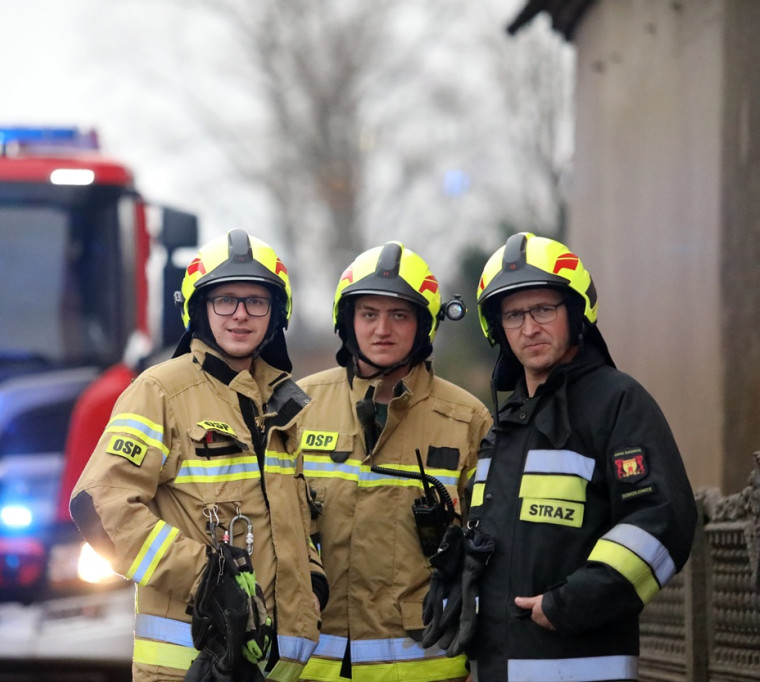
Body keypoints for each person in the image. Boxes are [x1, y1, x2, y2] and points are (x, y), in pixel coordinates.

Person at [69, 229, 326, 682]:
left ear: (276, 312)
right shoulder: (160, 391)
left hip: (279, 669)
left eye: (255, 301)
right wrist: (204, 577)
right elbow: (99, 503)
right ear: (200, 310)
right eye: (225, 300)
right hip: (189, 666)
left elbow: (295, 514)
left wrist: (312, 577)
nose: (240, 315)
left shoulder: (283, 405)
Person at [449, 231, 697, 681]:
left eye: (544, 309)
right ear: (497, 328)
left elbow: (662, 520)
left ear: (576, 312)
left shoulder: (618, 402)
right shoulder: (504, 425)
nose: (529, 327)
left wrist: (570, 603)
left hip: (586, 666)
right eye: (513, 315)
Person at [296, 242, 492, 682]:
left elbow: (493, 547)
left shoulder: (467, 420)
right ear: (347, 322)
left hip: (423, 666)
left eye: (399, 315)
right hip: (311, 664)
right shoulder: (297, 407)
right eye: (368, 314)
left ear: (423, 325)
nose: (382, 329)